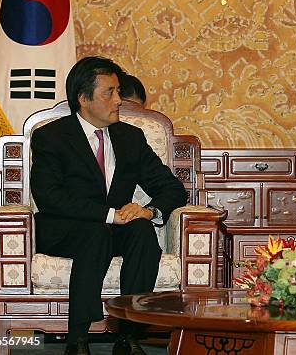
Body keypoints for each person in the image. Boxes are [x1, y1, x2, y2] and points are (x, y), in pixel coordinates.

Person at [30, 56, 186, 355]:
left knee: (141, 231)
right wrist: (110, 215)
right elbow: (49, 196)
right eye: (109, 93)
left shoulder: (130, 137)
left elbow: (171, 188)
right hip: (65, 228)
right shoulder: (51, 136)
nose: (118, 100)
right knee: (96, 233)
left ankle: (127, 334)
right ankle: (78, 337)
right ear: (83, 98)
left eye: (118, 91)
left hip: (113, 229)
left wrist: (149, 210)